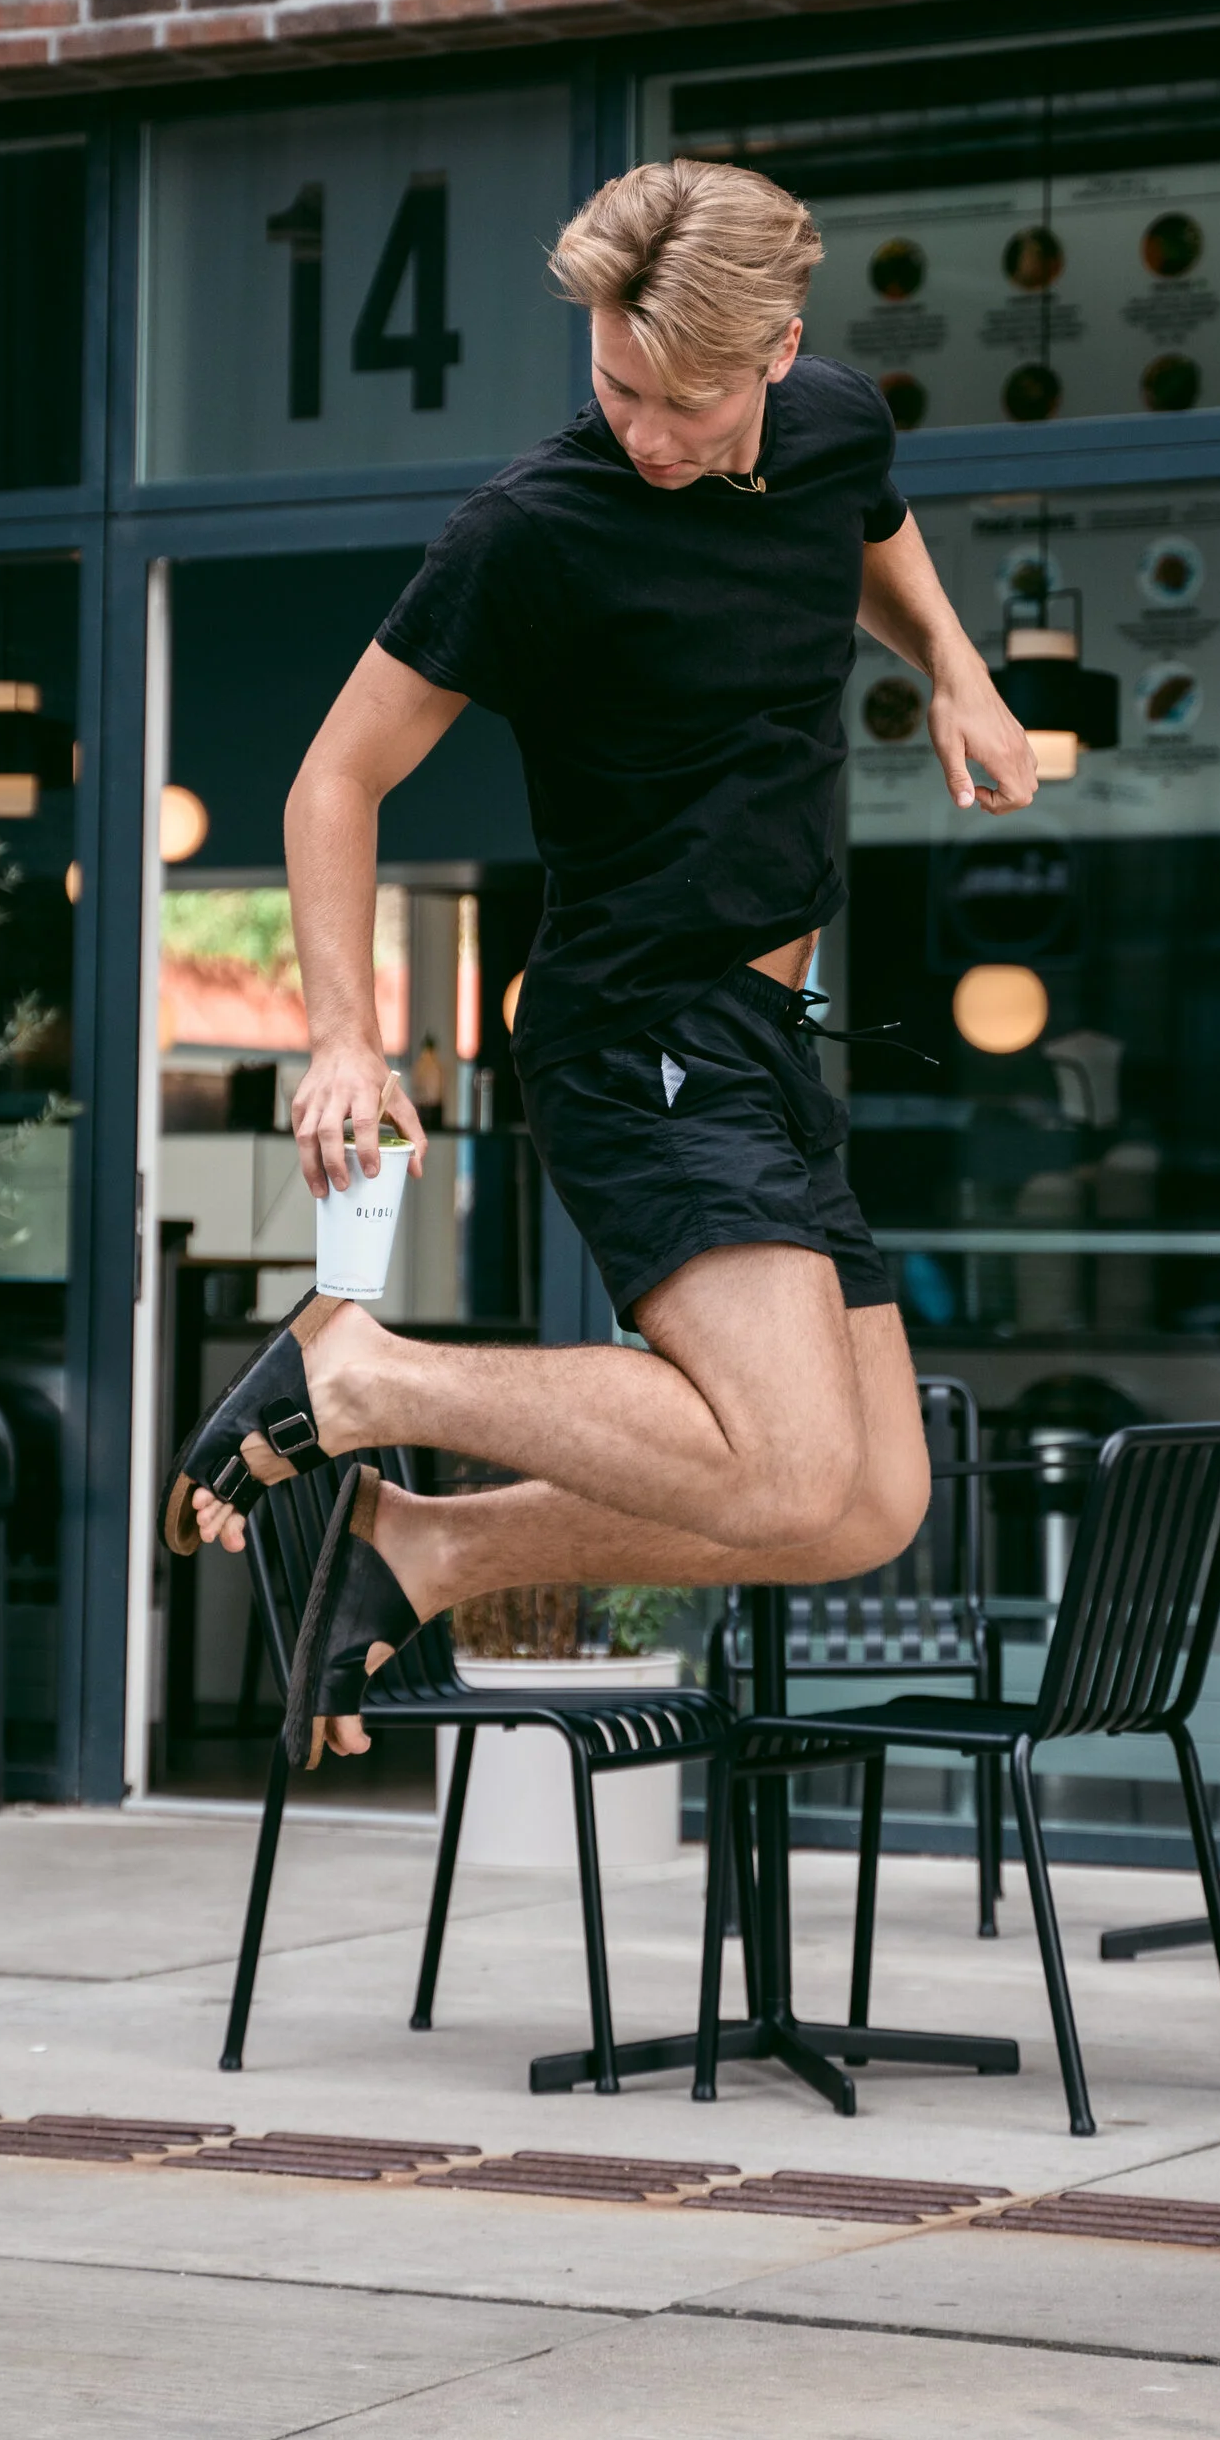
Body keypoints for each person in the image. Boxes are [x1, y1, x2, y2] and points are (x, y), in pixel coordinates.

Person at [164, 157, 1040, 1763]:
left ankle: (430, 1547)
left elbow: (874, 533)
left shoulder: (836, 419)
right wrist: (346, 1041)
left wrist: (960, 671)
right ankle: (359, 1372)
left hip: (771, 1040)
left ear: (779, 349)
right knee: (781, 1464)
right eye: (615, 383)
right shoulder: (534, 530)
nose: (645, 430)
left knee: (865, 1502)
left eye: (683, 401)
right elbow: (331, 781)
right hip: (634, 1024)